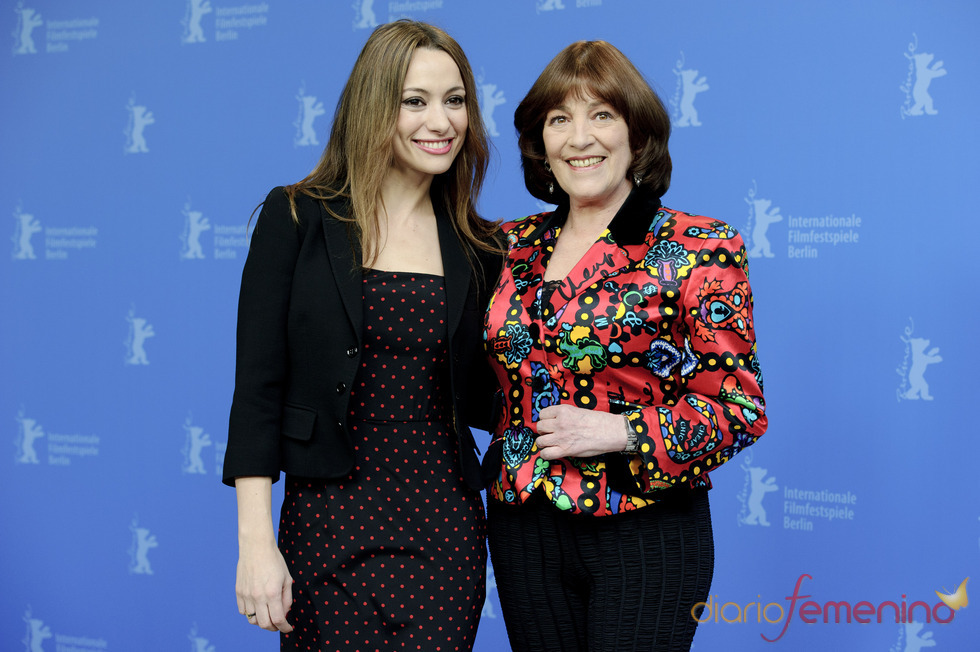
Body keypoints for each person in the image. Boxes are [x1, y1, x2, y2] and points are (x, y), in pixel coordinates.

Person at [222, 20, 501, 651]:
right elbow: (257, 393)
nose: (442, 121)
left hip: (444, 528)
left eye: (455, 101)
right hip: (326, 523)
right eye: (415, 100)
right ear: (375, 105)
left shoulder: (481, 248)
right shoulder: (297, 217)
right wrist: (255, 546)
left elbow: (503, 387)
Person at [482, 40, 768, 651]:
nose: (579, 137)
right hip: (523, 526)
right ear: (541, 143)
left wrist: (620, 432)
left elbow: (740, 408)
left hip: (646, 525)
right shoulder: (503, 245)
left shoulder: (700, 246)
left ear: (638, 134)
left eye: (601, 115)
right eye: (559, 119)